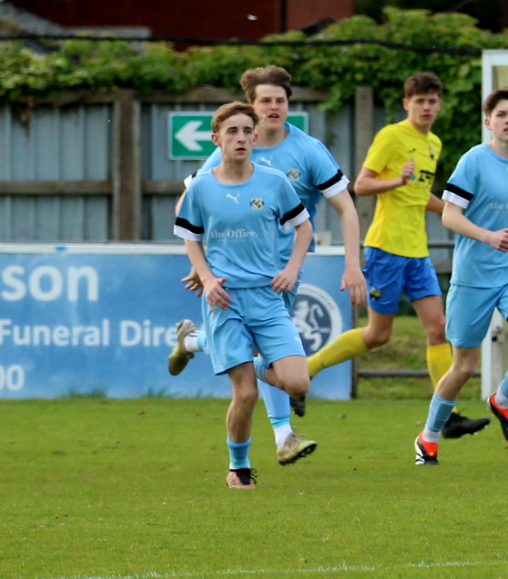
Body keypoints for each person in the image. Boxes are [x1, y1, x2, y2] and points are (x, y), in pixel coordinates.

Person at [167, 65, 367, 467]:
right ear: (253, 108)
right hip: (236, 276)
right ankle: (283, 435)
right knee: (259, 354)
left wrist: (353, 263)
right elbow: (190, 210)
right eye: (265, 101)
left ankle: (194, 343)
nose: (273, 107)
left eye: (280, 100)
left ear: (288, 105)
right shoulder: (231, 145)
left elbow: (346, 208)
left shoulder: (307, 150)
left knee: (265, 357)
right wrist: (202, 266)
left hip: (281, 272)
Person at [305, 72, 489, 437]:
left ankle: (445, 416)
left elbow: (422, 197)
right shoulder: (391, 136)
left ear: (439, 104)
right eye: (419, 101)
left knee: (439, 329)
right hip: (386, 248)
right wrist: (396, 181)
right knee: (378, 335)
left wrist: (462, 212)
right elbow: (361, 185)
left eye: (432, 101)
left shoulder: (433, 142)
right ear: (407, 103)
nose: (426, 107)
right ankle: (304, 372)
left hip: (417, 250)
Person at [174, 102, 313, 489]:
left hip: (268, 298)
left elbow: (304, 228)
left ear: (255, 137)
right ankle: (238, 468)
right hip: (225, 301)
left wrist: (291, 270)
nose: (240, 138)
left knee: (298, 383)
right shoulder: (202, 187)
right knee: (247, 394)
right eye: (231, 132)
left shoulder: (273, 182)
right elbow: (191, 238)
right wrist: (208, 278)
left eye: (245, 131)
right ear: (216, 139)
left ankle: (204, 347)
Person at [414, 87, 508, 464]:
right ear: (489, 123)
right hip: (473, 276)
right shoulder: (474, 160)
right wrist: (488, 236)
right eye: (501, 114)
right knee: (463, 367)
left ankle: (502, 400)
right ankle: (428, 437)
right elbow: (449, 215)